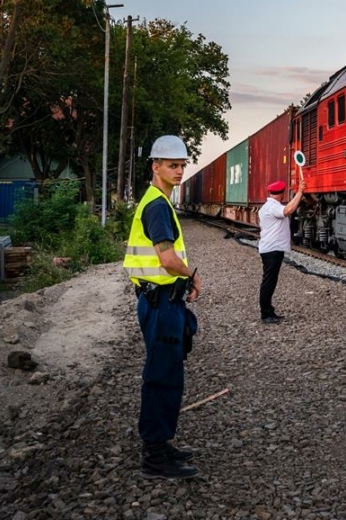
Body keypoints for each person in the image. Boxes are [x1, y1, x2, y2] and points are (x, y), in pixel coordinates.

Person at [123, 135, 204, 479]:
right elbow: (168, 259)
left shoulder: (159, 202)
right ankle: (154, 455)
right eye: (172, 165)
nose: (179, 170)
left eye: (183, 165)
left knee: (168, 375)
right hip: (160, 305)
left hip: (159, 302)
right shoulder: (157, 205)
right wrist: (193, 276)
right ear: (155, 167)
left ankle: (161, 443)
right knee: (162, 378)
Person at [257, 176, 306, 323]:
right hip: (272, 250)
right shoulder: (273, 207)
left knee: (270, 281)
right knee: (268, 282)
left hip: (271, 249)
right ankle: (266, 314)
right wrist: (300, 192)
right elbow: (288, 210)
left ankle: (269, 311)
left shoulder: (267, 207)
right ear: (281, 193)